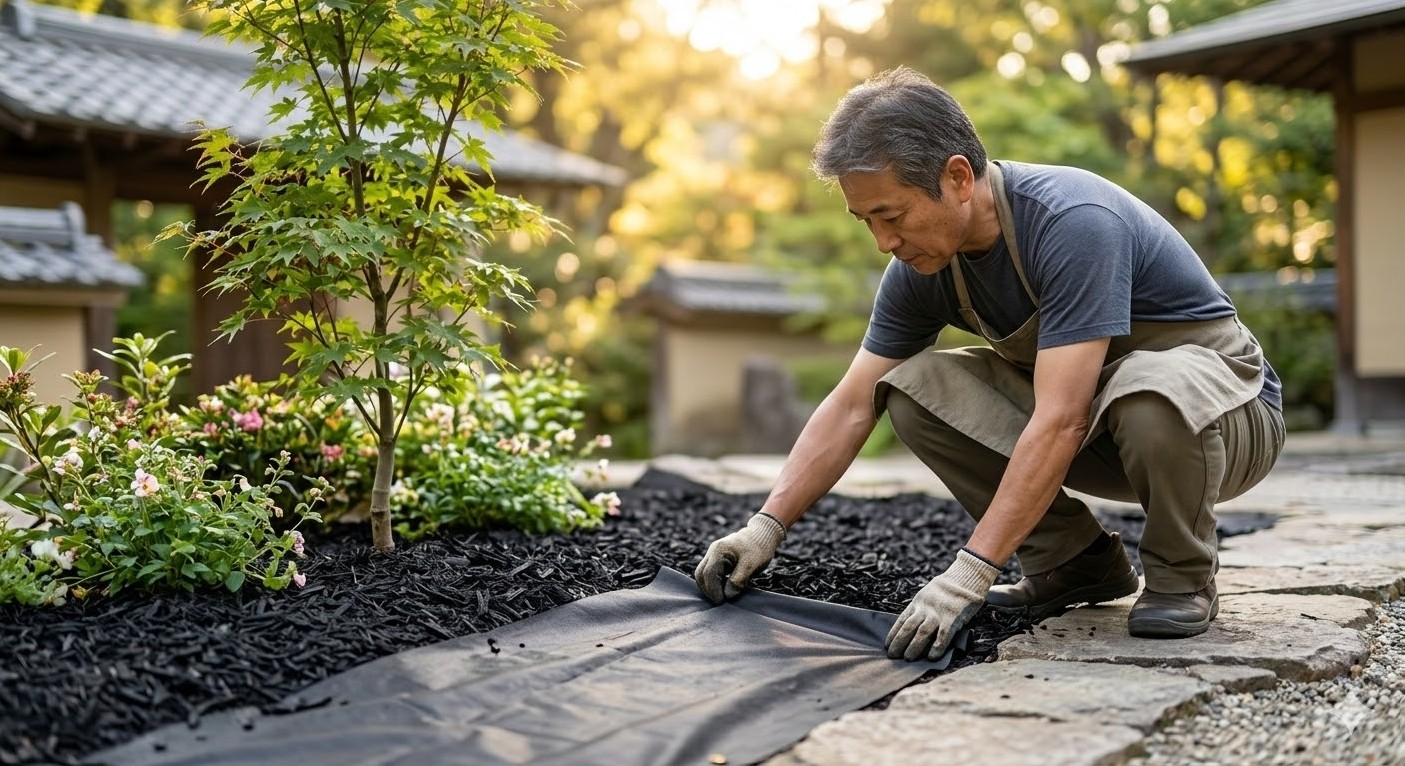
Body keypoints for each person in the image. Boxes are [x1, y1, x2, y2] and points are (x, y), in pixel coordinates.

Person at [692, 66, 1285, 662]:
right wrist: (766, 524)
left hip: (1228, 421)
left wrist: (969, 573)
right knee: (909, 387)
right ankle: (1073, 565)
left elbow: (1060, 420)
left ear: (956, 178)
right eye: (866, 220)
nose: (882, 242)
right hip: (1107, 429)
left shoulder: (1072, 223)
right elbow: (851, 403)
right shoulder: (922, 268)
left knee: (1147, 390)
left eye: (892, 216)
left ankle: (1182, 574)